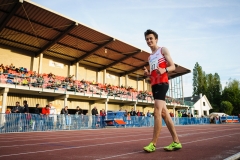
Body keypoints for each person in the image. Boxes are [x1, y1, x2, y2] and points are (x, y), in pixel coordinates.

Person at [143, 29, 182, 152]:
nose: (149, 41)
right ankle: (176, 141)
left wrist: (164, 70)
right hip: (154, 84)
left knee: (157, 112)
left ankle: (153, 144)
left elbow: (173, 66)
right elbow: (155, 73)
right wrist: (148, 74)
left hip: (162, 83)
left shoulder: (162, 50)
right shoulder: (150, 57)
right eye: (147, 39)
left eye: (151, 38)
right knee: (164, 114)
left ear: (156, 39)